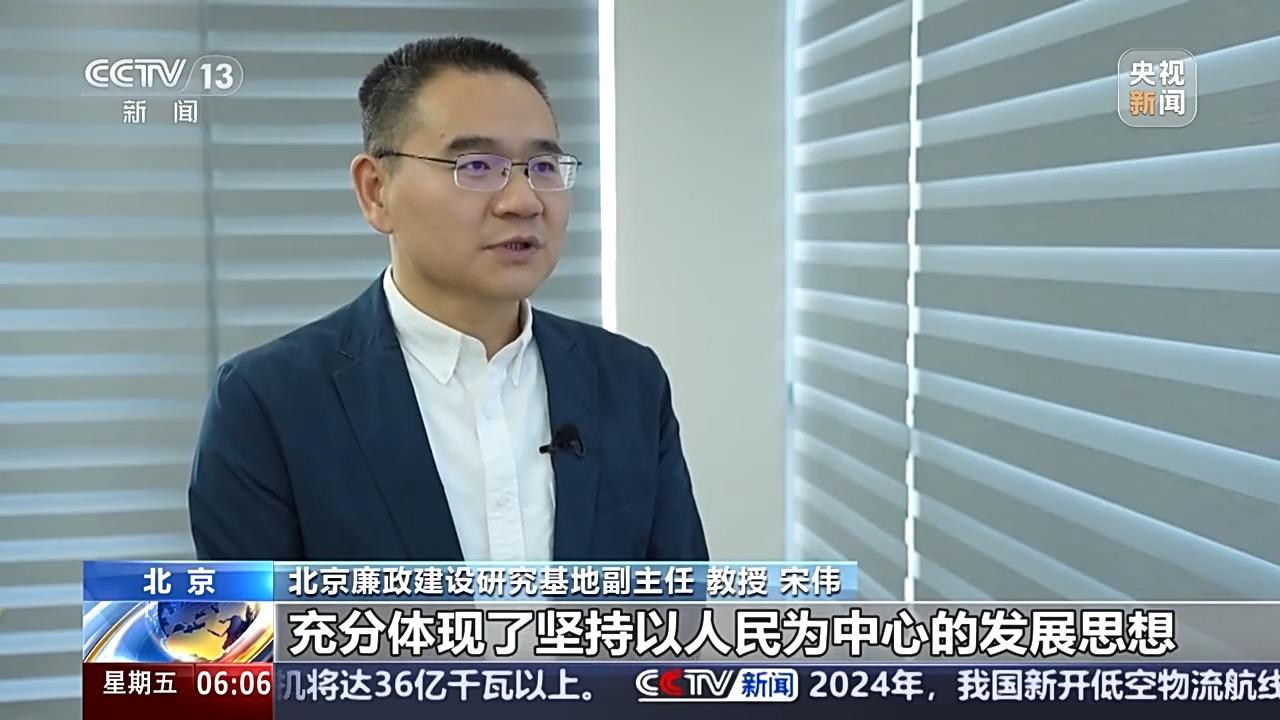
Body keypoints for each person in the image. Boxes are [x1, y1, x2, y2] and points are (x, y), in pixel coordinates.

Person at [187, 36, 708, 563]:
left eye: (544, 167)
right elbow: (245, 616)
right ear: (376, 190)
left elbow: (680, 605)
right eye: (477, 166)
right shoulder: (268, 402)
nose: (524, 201)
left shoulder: (628, 381)